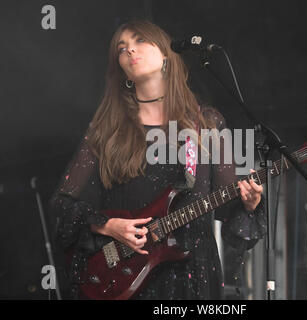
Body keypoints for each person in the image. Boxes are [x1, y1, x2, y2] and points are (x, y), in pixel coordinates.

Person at [50, 20, 267, 300]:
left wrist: (250, 203)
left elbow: (228, 209)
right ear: (122, 70)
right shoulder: (106, 128)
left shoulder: (205, 123)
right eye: (121, 48)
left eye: (140, 40)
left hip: (194, 275)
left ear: (166, 54)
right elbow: (60, 204)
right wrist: (105, 225)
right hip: (127, 272)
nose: (130, 50)